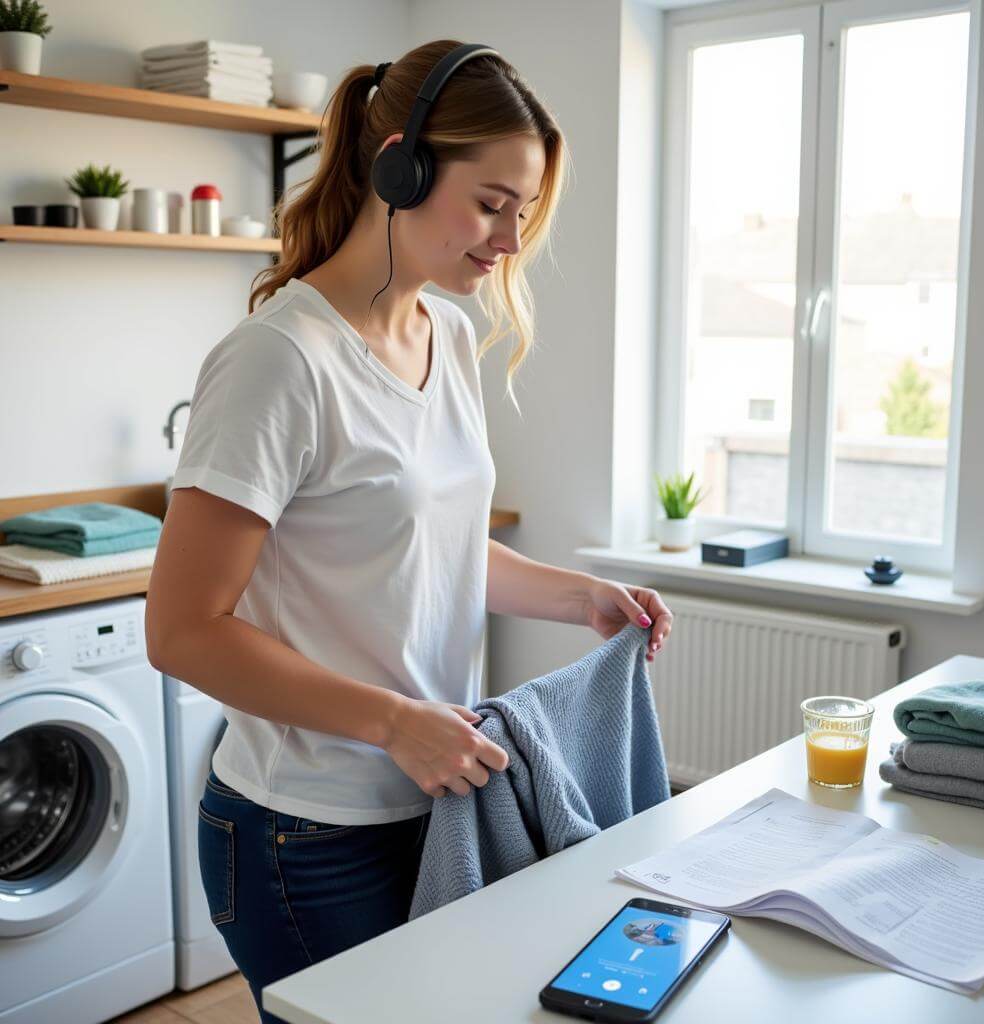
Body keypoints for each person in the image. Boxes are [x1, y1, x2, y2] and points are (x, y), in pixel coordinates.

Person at [145, 39, 673, 1023]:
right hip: (304, 834)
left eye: (523, 211)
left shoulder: (450, 334)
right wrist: (393, 720)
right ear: (401, 166)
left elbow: (431, 549)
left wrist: (578, 596)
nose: (509, 240)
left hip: (430, 806)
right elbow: (181, 631)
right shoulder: (279, 360)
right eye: (490, 202)